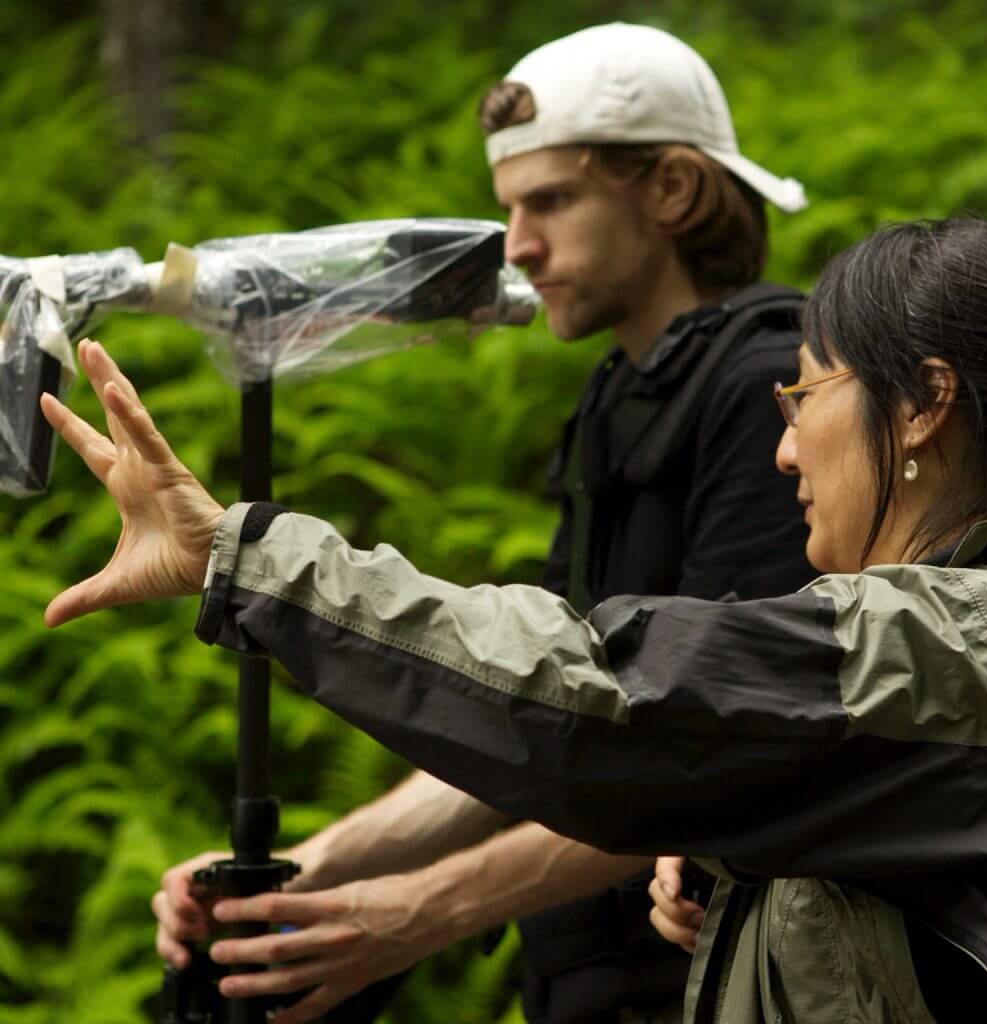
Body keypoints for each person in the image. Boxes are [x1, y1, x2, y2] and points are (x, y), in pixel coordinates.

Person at [42, 216, 987, 1023]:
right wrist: (748, 886)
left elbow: (596, 697)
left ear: (921, 406)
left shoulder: (952, 645)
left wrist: (245, 556)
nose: (785, 450)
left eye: (803, 393)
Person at [148, 22, 814, 1024]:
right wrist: (305, 877)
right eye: (509, 208)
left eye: (550, 201)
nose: (517, 245)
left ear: (674, 189)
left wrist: (416, 913)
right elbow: (537, 714)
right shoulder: (621, 395)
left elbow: (713, 756)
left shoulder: (765, 392)